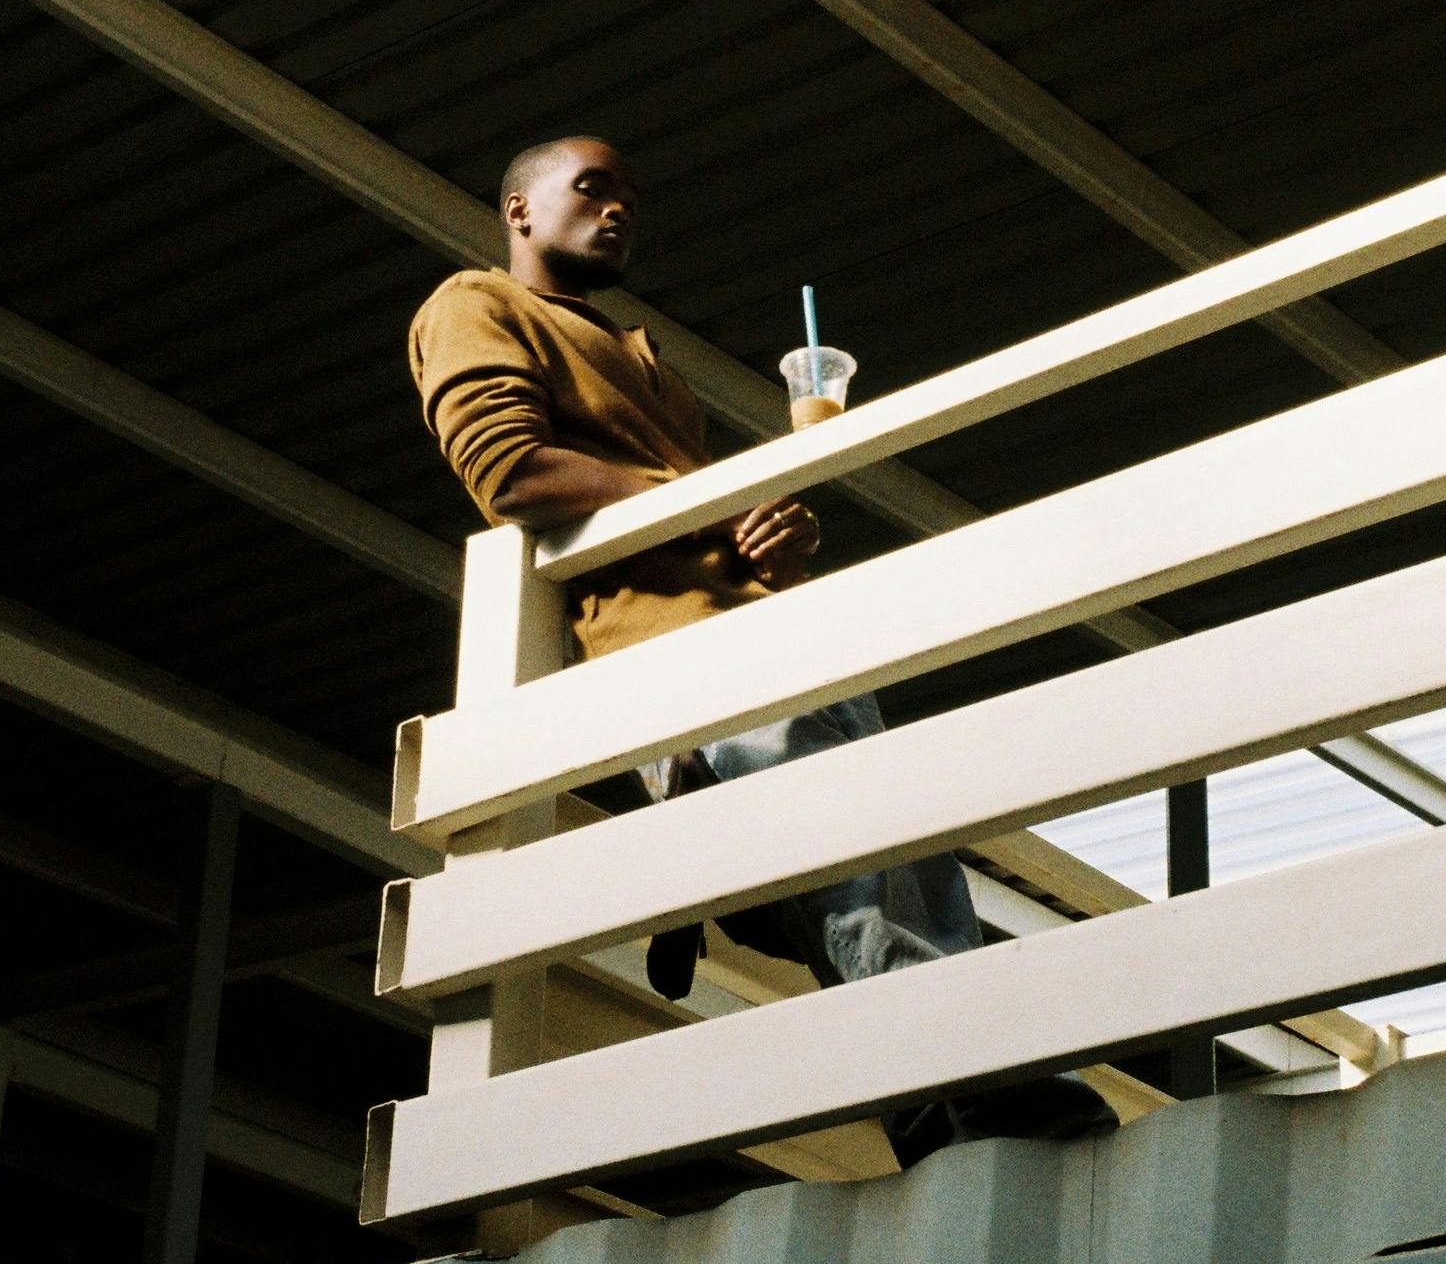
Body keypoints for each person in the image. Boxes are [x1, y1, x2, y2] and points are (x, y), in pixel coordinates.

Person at [407, 135, 1111, 1150]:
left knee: (913, 882)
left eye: (631, 200)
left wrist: (771, 542)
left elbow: (690, 521)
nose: (619, 212)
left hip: (781, 643)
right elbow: (509, 470)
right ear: (520, 210)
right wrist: (708, 503)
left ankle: (971, 1134)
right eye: (593, 189)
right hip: (689, 664)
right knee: (860, 884)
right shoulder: (474, 302)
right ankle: (1015, 1120)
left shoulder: (648, 366)